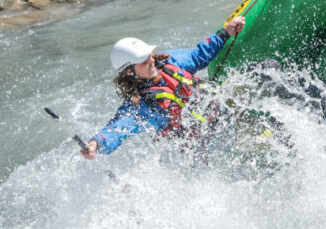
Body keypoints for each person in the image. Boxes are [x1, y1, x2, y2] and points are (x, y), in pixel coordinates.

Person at [81, 16, 245, 159]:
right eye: (143, 60)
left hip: (223, 117)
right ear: (130, 72)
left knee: (267, 69)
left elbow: (198, 56)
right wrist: (97, 143)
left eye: (148, 56)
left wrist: (225, 32)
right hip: (202, 148)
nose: (151, 61)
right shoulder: (142, 106)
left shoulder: (169, 62)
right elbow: (118, 128)